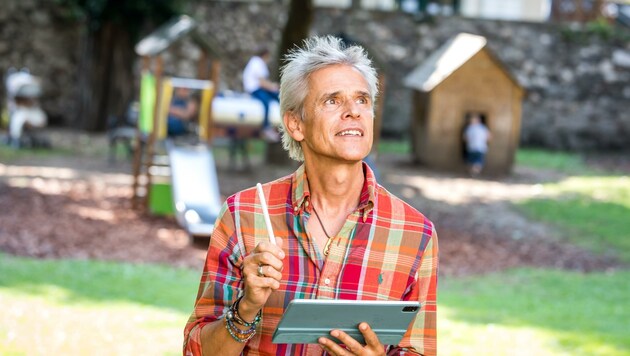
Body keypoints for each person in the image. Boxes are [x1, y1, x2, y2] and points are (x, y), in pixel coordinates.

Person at [184, 35, 438, 356]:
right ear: (295, 124)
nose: (353, 112)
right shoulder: (243, 214)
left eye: (362, 100)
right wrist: (246, 308)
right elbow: (197, 351)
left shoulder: (417, 233)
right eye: (332, 100)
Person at [243, 48, 281, 142]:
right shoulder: (257, 62)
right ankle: (266, 127)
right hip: (254, 88)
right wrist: (273, 87)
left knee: (277, 96)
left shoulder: (256, 62)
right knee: (266, 102)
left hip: (256, 87)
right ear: (265, 54)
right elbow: (261, 82)